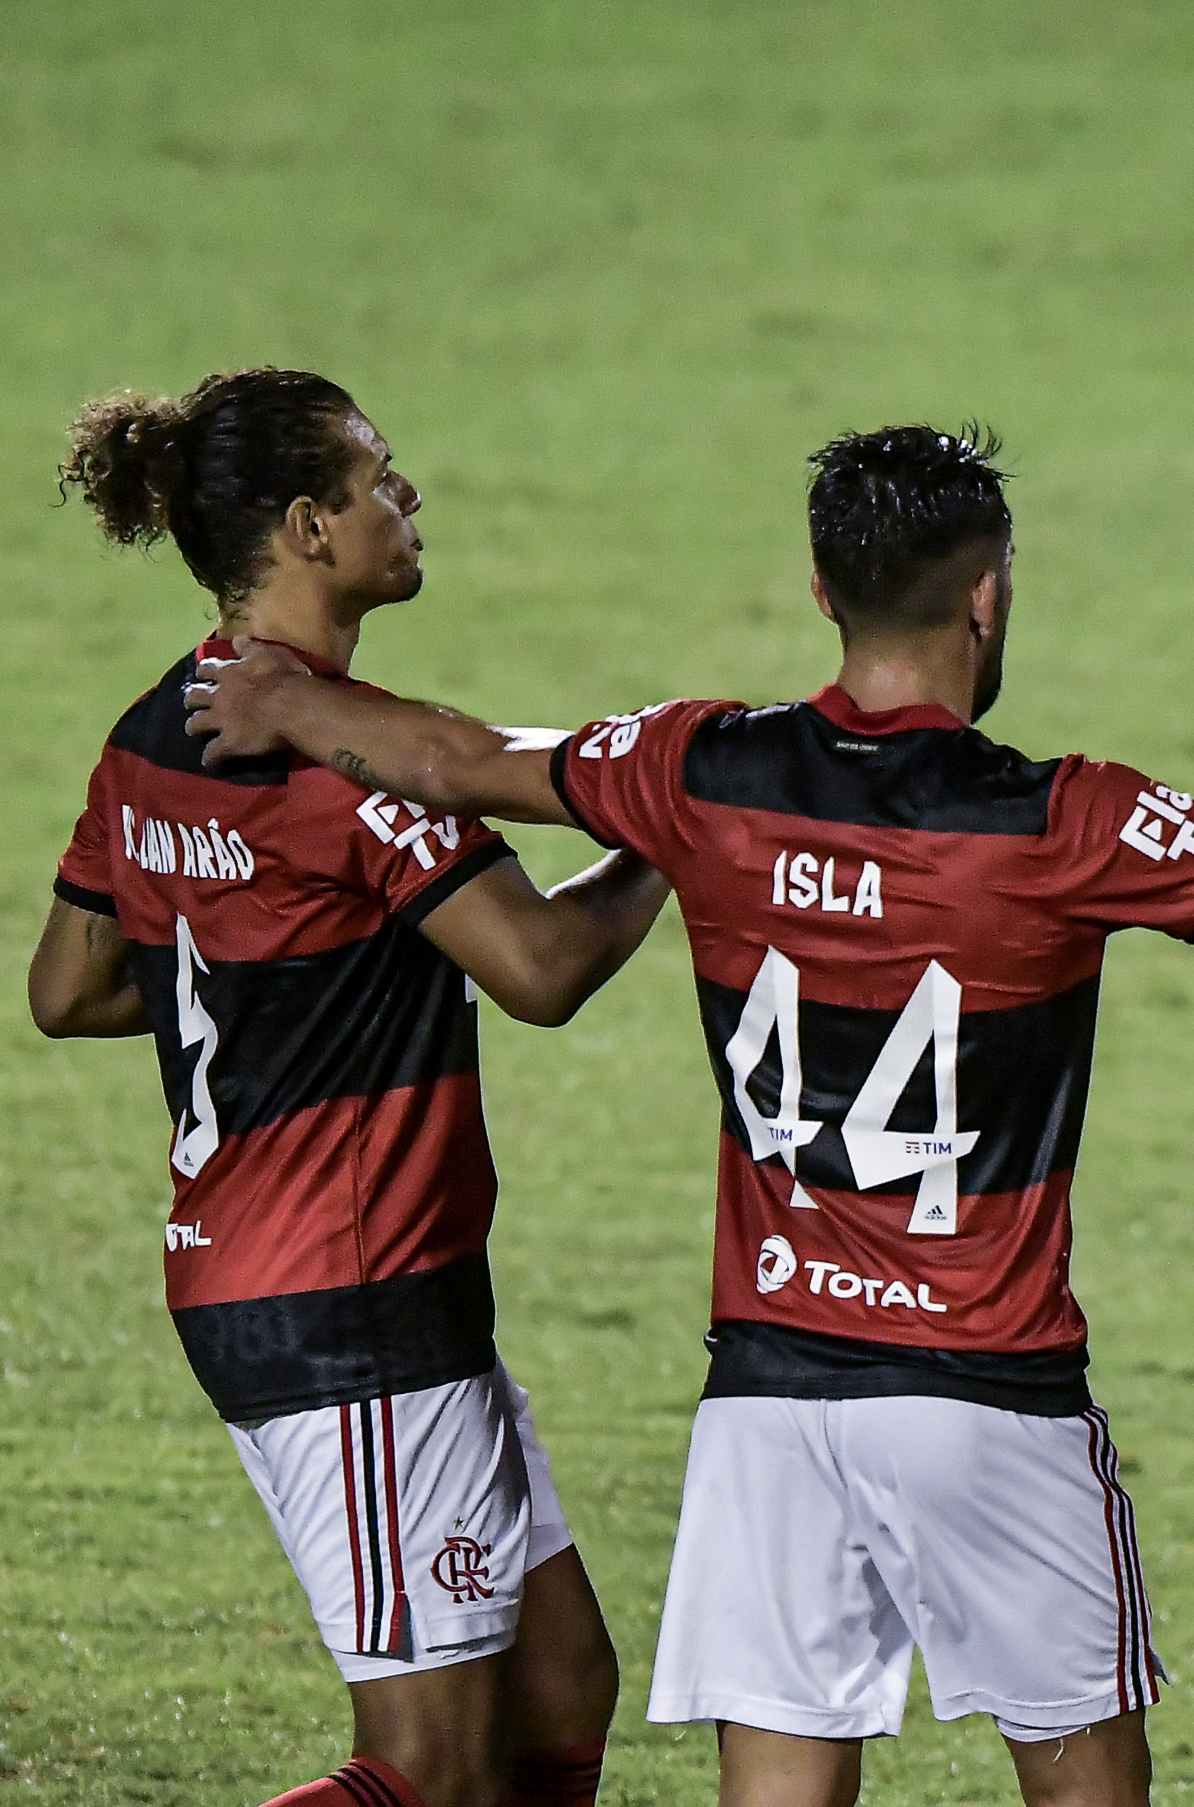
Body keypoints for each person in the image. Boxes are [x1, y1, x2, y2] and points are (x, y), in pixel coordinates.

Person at [188, 424, 1194, 1807]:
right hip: (987, 1401)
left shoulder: (701, 768)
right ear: (987, 596)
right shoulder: (1065, 822)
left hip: (767, 1403)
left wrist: (286, 708)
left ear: (825, 590)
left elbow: (467, 757)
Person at [27, 369, 670, 1807]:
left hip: (317, 1282)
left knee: (562, 1684)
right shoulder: (342, 758)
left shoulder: (147, 737)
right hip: (350, 1301)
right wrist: (669, 843)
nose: (409, 497)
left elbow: (66, 990)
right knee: (428, 1771)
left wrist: (274, 970)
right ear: (311, 529)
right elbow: (543, 964)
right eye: (383, 477)